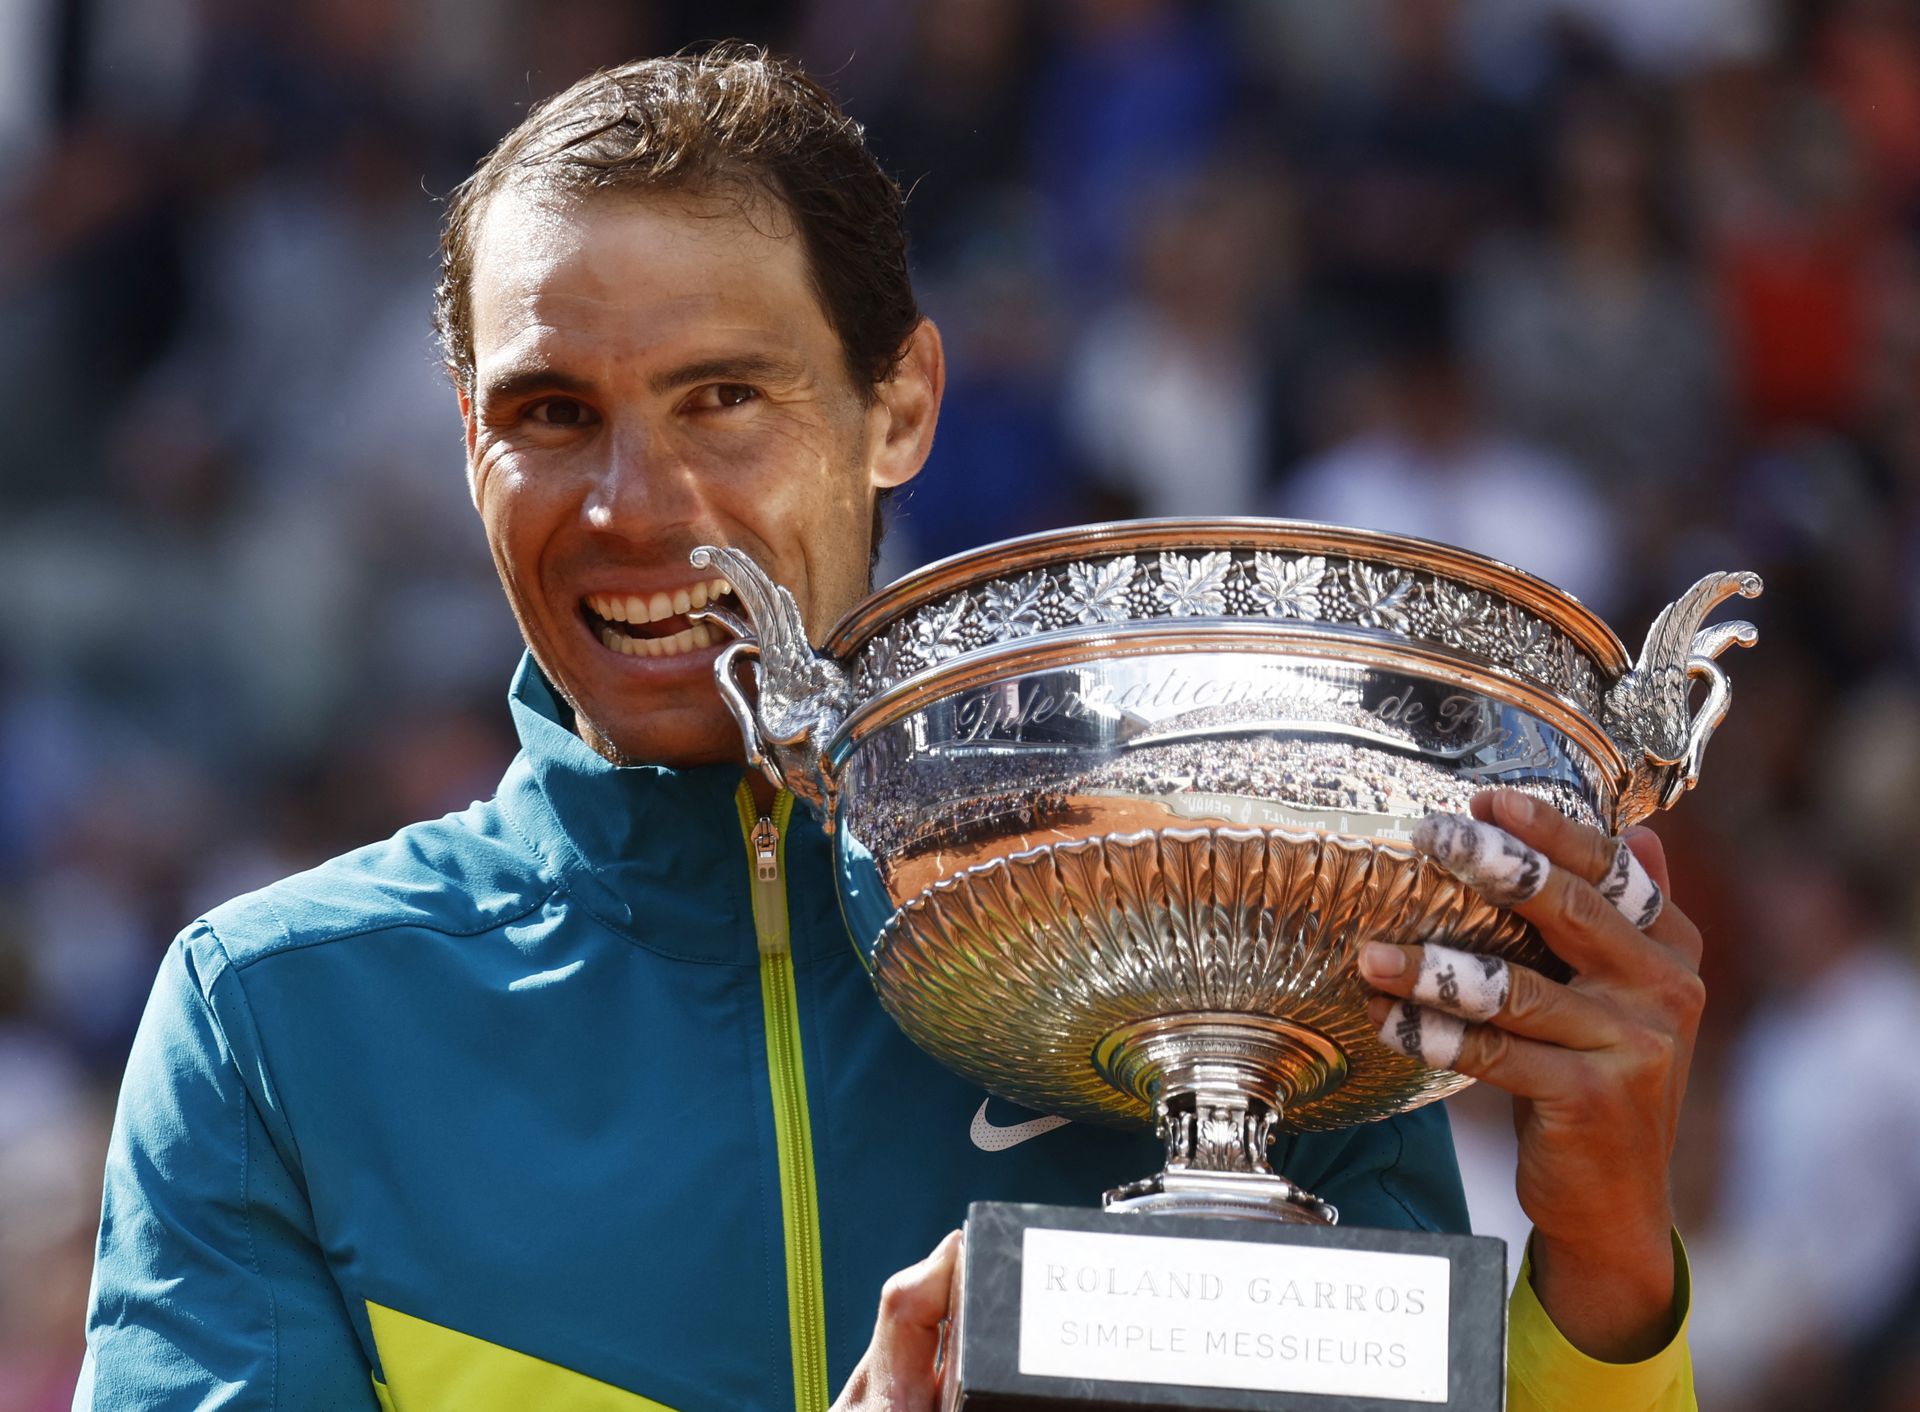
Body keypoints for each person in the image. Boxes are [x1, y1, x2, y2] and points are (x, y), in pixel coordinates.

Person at [76, 47, 1704, 1411]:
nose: (639, 510)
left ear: (902, 405)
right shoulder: (282, 1027)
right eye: (551, 414)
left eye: (725, 397)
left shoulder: (1239, 934)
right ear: (465, 443)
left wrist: (1614, 1286)